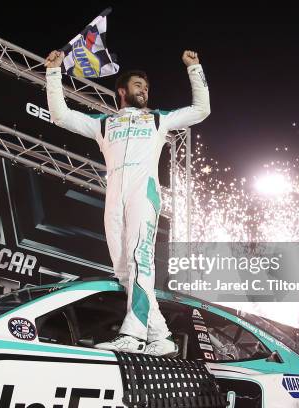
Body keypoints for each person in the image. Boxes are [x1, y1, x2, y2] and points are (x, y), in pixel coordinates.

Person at [44, 49, 210, 356]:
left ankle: (133, 334)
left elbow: (201, 110)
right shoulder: (103, 123)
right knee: (124, 270)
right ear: (122, 91)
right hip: (114, 197)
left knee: (139, 260)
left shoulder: (159, 119)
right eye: (138, 86)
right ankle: (160, 336)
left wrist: (194, 69)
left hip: (143, 194)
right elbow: (61, 116)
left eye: (146, 87)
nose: (144, 90)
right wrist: (54, 74)